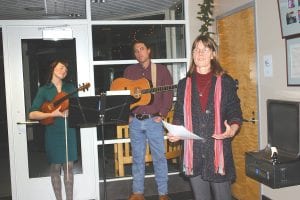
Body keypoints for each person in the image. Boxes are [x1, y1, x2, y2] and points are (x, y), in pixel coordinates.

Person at [168, 35, 243, 200]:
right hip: (193, 153)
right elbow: (179, 114)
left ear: (213, 54)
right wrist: (175, 130)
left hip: (217, 153)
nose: (199, 53)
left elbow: (234, 110)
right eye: (196, 49)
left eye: (205, 49)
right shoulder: (183, 84)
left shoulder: (225, 81)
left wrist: (232, 130)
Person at [124, 40, 173, 200]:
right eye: (136, 50)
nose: (139, 53)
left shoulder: (161, 70)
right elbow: (123, 96)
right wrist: (129, 115)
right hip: (136, 121)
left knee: (159, 157)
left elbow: (168, 94)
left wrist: (163, 113)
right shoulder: (129, 71)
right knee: (137, 158)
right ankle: (138, 192)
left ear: (149, 50)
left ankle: (163, 193)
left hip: (154, 121)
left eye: (142, 49)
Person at [28, 59, 78, 200]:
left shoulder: (71, 88)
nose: (64, 71)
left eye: (66, 70)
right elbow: (32, 114)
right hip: (52, 132)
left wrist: (72, 112)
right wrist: (52, 114)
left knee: (68, 167)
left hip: (69, 131)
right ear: (53, 69)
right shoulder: (44, 90)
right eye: (61, 68)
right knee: (55, 168)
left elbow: (78, 108)